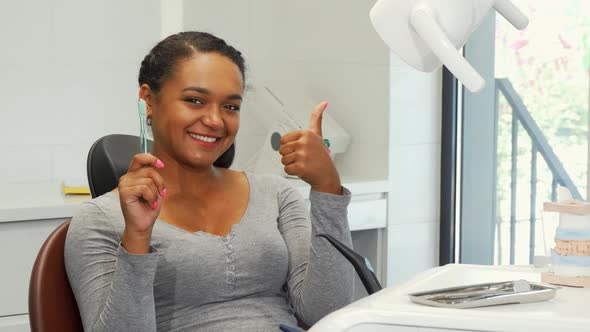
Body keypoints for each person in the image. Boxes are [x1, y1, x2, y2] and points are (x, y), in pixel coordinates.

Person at [65, 31, 354, 331]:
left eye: (230, 106)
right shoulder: (100, 219)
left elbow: (330, 313)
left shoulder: (276, 195)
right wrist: (137, 237)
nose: (216, 120)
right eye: (195, 100)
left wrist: (327, 189)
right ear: (148, 100)